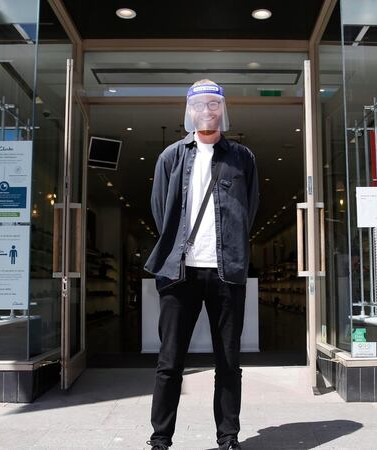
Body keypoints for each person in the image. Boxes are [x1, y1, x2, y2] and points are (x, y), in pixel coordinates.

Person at [144, 79, 259, 450]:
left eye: (214, 105)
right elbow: (161, 210)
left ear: (222, 110)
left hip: (227, 272)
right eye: (200, 105)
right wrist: (180, 248)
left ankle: (228, 438)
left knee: (228, 361)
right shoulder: (171, 157)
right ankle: (160, 439)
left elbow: (250, 209)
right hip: (181, 273)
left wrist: (232, 249)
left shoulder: (242, 157)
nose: (207, 111)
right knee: (169, 361)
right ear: (189, 112)